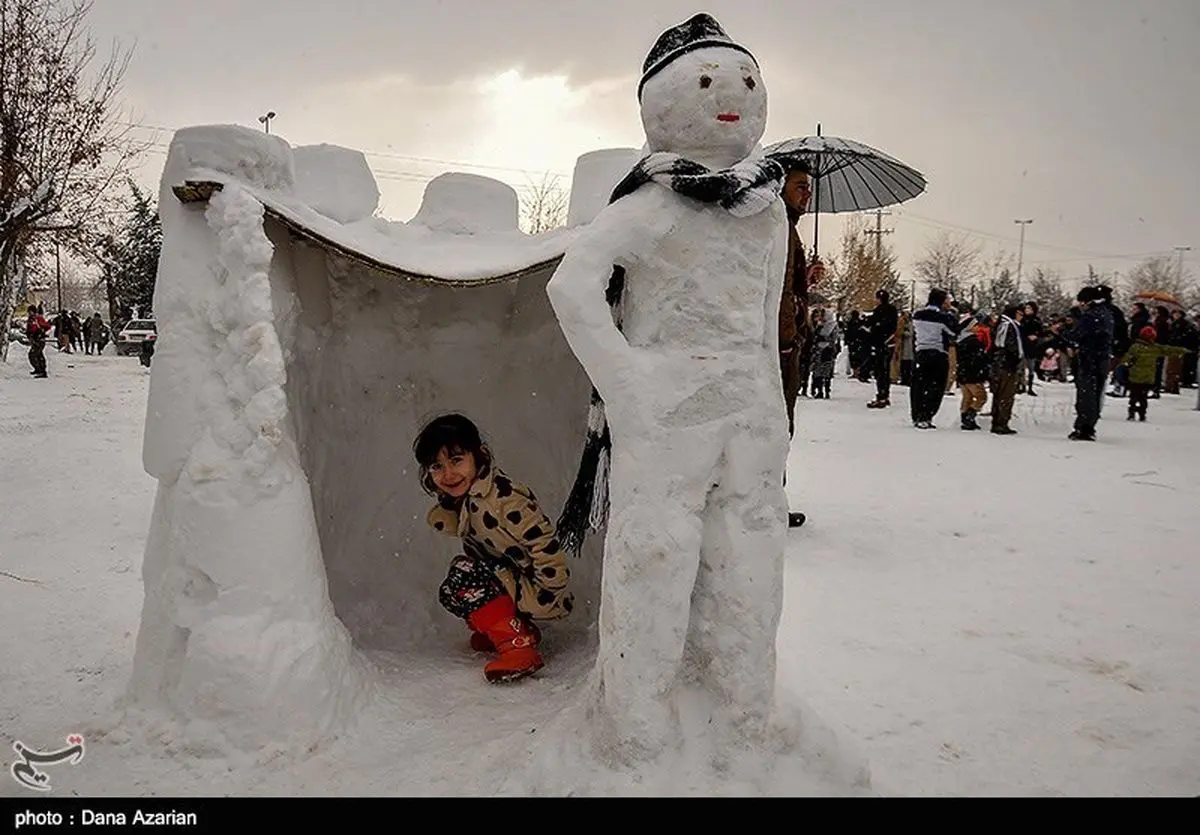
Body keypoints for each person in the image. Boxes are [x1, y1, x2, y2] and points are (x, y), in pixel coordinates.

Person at [414, 413, 573, 683]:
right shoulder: (469, 498)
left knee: (466, 577)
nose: (448, 474)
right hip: (510, 576)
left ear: (479, 455)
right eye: (436, 466)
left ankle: (518, 646)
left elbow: (542, 541)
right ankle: (510, 629)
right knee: (454, 589)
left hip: (539, 588)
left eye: (456, 460)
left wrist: (549, 589)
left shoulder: (504, 498)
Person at [778, 161, 824, 528]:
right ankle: (768, 505)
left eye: (809, 187)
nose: (806, 192)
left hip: (786, 349)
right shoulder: (779, 226)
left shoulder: (789, 229)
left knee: (781, 429)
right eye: (799, 185)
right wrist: (786, 343)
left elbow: (789, 287)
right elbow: (779, 294)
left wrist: (805, 278)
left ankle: (772, 502)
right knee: (777, 429)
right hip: (780, 353)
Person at [1065, 287, 1114, 441]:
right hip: (1103, 358)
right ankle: (1090, 425)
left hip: (1089, 359)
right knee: (1096, 392)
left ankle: (1084, 427)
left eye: (1081, 302)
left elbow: (1077, 336)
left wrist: (1061, 333)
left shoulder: (1090, 316)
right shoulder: (1107, 313)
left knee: (1086, 394)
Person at [910, 288, 962, 429]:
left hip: (920, 352)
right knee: (936, 387)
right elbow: (954, 331)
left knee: (919, 386)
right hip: (938, 354)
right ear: (941, 301)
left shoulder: (917, 315)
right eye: (947, 300)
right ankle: (927, 415)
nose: (948, 303)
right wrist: (952, 314)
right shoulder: (943, 317)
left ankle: (917, 414)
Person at [1120, 326, 1190, 422]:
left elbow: (1126, 359)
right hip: (1148, 378)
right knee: (1143, 397)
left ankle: (1132, 412)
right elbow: (1168, 349)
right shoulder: (1155, 348)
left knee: (1134, 396)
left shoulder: (1135, 347)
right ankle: (1142, 413)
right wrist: (1183, 350)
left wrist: (1125, 365)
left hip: (1135, 377)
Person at [989, 305, 1024, 435]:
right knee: (1006, 394)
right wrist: (1015, 360)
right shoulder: (1009, 325)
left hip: (999, 363)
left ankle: (997, 421)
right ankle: (1001, 423)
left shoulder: (1001, 324)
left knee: (999, 393)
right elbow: (1009, 345)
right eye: (1019, 313)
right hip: (1006, 364)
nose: (1021, 316)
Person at [955, 312, 991, 430]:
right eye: (975, 325)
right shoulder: (973, 342)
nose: (978, 327)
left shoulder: (961, 340)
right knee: (981, 397)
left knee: (967, 397)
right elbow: (978, 359)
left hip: (963, 374)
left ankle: (965, 417)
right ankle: (970, 416)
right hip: (972, 375)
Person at [867, 289, 899, 409]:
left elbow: (875, 325)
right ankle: (885, 395)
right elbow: (893, 326)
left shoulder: (880, 311)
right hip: (889, 343)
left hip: (880, 343)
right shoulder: (893, 310)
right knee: (885, 371)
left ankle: (882, 395)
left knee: (880, 371)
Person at [26, 306, 52, 378]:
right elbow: (29, 328)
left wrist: (41, 332)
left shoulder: (38, 318)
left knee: (33, 354)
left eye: (30, 311)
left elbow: (47, 326)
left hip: (39, 339)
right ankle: (39, 370)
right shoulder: (31, 319)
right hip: (34, 339)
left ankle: (41, 370)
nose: (29, 313)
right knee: (38, 354)